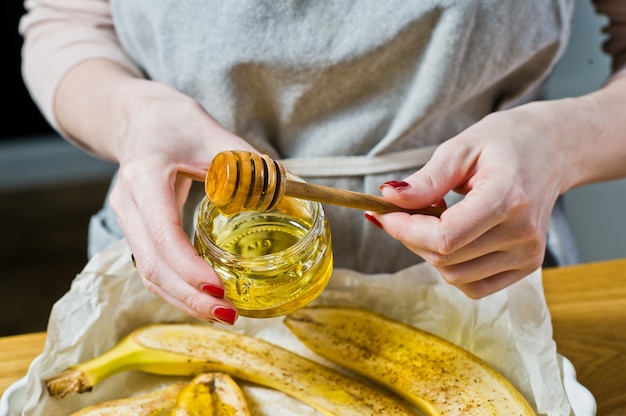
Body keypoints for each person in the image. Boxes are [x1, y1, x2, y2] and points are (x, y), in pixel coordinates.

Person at [19, 1, 626, 325]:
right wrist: (132, 117)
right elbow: (65, 22)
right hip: (192, 263)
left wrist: (559, 144)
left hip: (480, 267)